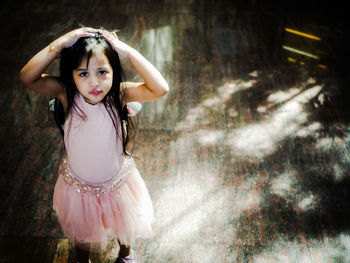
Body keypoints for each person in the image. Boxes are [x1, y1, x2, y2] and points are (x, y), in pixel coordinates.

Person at [19, 27, 169, 263]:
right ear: (72, 76)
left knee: (124, 223)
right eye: (83, 74)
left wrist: (127, 51)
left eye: (102, 72)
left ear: (113, 71)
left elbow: (161, 88)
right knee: (82, 234)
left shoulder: (119, 94)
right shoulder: (67, 95)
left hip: (118, 183)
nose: (94, 82)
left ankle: (126, 255)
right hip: (80, 189)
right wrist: (61, 43)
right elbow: (27, 77)